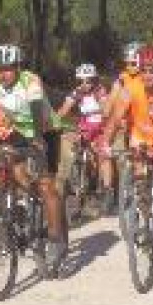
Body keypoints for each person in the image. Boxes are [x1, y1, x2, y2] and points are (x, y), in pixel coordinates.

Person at [0, 44, 66, 269]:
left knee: (46, 185)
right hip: (20, 131)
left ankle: (56, 239)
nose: (3, 74)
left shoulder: (30, 81)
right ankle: (29, 205)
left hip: (46, 131)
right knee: (12, 168)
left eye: (8, 69)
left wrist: (37, 138)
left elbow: (36, 111)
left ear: (18, 67)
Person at [97, 45, 153, 241]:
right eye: (143, 71)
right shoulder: (129, 89)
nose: (147, 76)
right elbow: (115, 118)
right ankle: (147, 222)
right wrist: (106, 144)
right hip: (141, 136)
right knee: (140, 177)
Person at [56, 63, 114, 214]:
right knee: (74, 148)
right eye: (81, 81)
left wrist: (102, 108)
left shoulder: (100, 91)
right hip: (85, 128)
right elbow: (64, 109)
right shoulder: (76, 92)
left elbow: (106, 109)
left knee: (104, 156)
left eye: (88, 81)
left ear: (94, 81)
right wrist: (54, 120)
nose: (85, 84)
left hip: (100, 128)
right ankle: (77, 186)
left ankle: (107, 190)